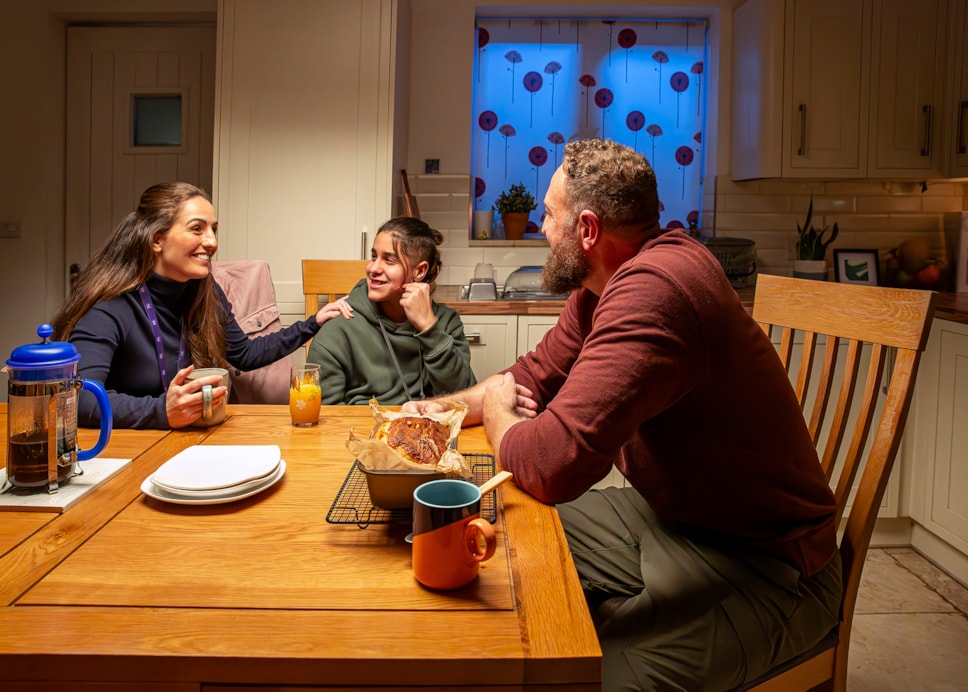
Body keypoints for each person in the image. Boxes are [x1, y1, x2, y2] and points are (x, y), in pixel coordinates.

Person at [405, 139, 842, 691]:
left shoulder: (656, 291)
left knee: (592, 681)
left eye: (548, 214)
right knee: (492, 540)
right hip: (668, 519)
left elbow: (552, 466)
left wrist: (497, 411)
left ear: (587, 230)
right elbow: (533, 374)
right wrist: (433, 412)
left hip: (768, 567)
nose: (540, 227)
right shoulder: (604, 285)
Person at [51, 182, 352, 430]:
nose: (211, 241)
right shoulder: (110, 306)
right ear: (157, 240)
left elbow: (245, 355)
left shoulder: (206, 292)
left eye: (213, 230)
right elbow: (79, 400)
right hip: (125, 452)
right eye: (197, 229)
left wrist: (313, 322)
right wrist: (161, 410)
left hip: (188, 442)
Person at [306, 216, 476, 405]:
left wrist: (429, 328)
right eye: (373, 257)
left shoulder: (446, 323)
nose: (373, 268)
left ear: (419, 271)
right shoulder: (338, 329)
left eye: (389, 260)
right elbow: (325, 415)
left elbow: (463, 398)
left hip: (430, 430)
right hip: (362, 431)